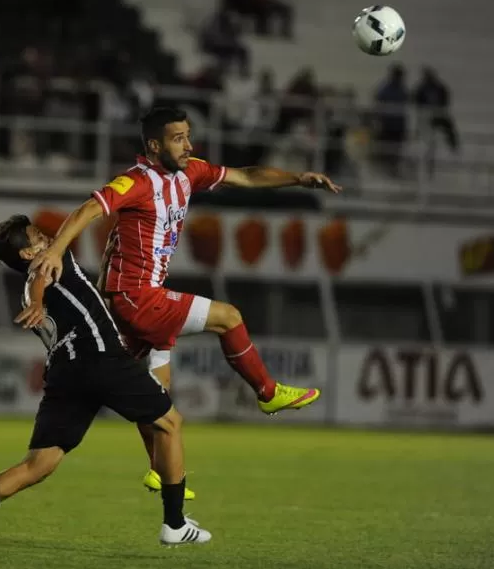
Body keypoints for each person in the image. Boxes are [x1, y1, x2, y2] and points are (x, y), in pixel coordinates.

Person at [30, 106, 341, 499]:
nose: (188, 144)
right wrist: (57, 250)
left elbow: (244, 175)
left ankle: (158, 470)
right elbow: (91, 208)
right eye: (178, 138)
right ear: (154, 144)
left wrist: (298, 178)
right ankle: (267, 393)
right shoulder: (136, 182)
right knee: (228, 317)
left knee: (154, 393)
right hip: (136, 296)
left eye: (188, 135)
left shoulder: (190, 171)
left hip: (131, 300)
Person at [0, 215, 211, 554]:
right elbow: (41, 276)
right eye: (38, 236)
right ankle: (175, 523)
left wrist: (97, 267)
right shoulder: (49, 262)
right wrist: (38, 299)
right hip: (100, 358)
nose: (48, 237)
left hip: (65, 375)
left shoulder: (37, 285)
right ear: (26, 254)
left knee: (38, 465)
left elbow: (81, 298)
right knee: (169, 422)